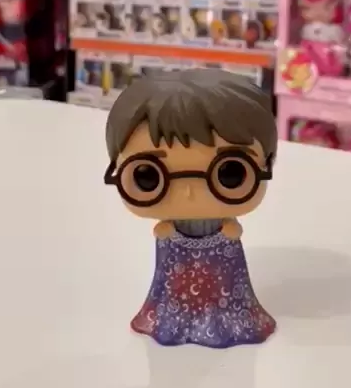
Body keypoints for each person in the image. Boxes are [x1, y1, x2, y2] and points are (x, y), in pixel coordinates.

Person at [104, 68, 277, 348]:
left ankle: (221, 320)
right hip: (177, 262)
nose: (188, 192)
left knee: (224, 288)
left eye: (230, 173)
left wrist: (229, 230)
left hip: (220, 262)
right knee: (175, 290)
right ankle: (177, 320)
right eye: (148, 176)